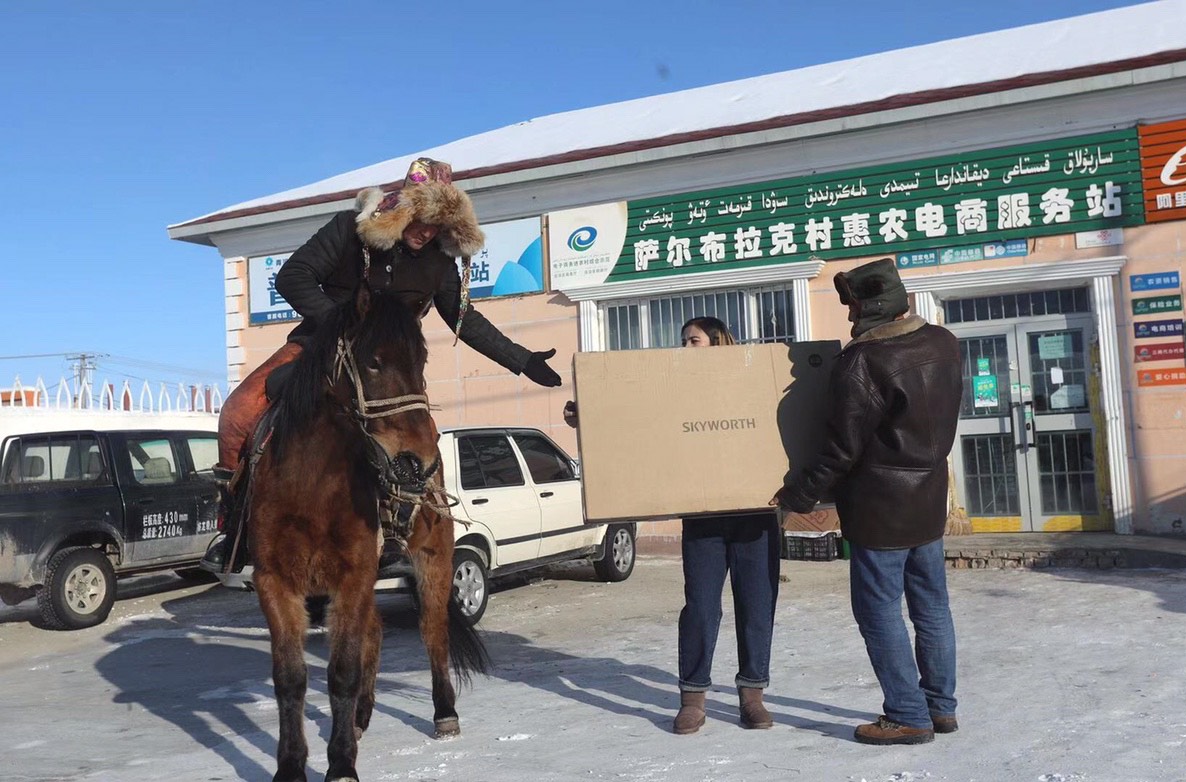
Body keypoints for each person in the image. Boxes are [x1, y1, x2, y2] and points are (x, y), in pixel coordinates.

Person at [203, 158, 563, 573]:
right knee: (237, 413)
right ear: (402, 209)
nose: (426, 231)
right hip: (321, 341)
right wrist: (343, 323)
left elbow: (466, 319)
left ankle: (400, 529)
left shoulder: (440, 261)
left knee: (415, 437)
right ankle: (234, 529)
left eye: (437, 225)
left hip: (391, 366)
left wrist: (523, 360)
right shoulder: (348, 229)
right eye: (420, 219)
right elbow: (293, 277)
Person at [772, 257, 963, 746]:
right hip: (929, 497)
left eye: (852, 306)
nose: (849, 316)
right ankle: (940, 708)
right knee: (932, 608)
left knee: (879, 612)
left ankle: (907, 714)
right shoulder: (944, 342)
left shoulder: (862, 362)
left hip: (880, 508)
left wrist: (796, 496)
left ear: (864, 307)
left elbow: (841, 448)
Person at [564, 316, 781, 735]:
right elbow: (636, 424)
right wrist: (588, 417)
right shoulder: (674, 393)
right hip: (703, 518)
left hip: (755, 514)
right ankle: (693, 698)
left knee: (756, 605)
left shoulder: (749, 381)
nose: (684, 347)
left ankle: (752, 695)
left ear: (718, 342)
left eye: (693, 340)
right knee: (700, 607)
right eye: (682, 340)